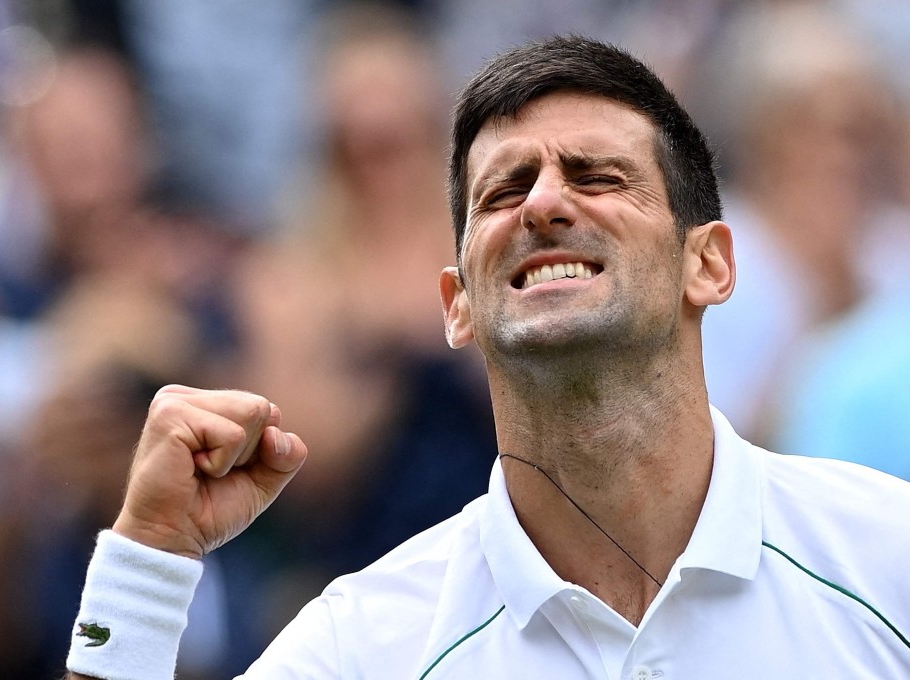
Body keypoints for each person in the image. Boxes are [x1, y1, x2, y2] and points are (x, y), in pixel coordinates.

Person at [65, 35, 910, 680]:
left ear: (710, 264)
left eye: (597, 176)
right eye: (503, 192)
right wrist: (144, 562)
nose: (543, 202)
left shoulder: (886, 555)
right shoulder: (366, 642)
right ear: (458, 305)